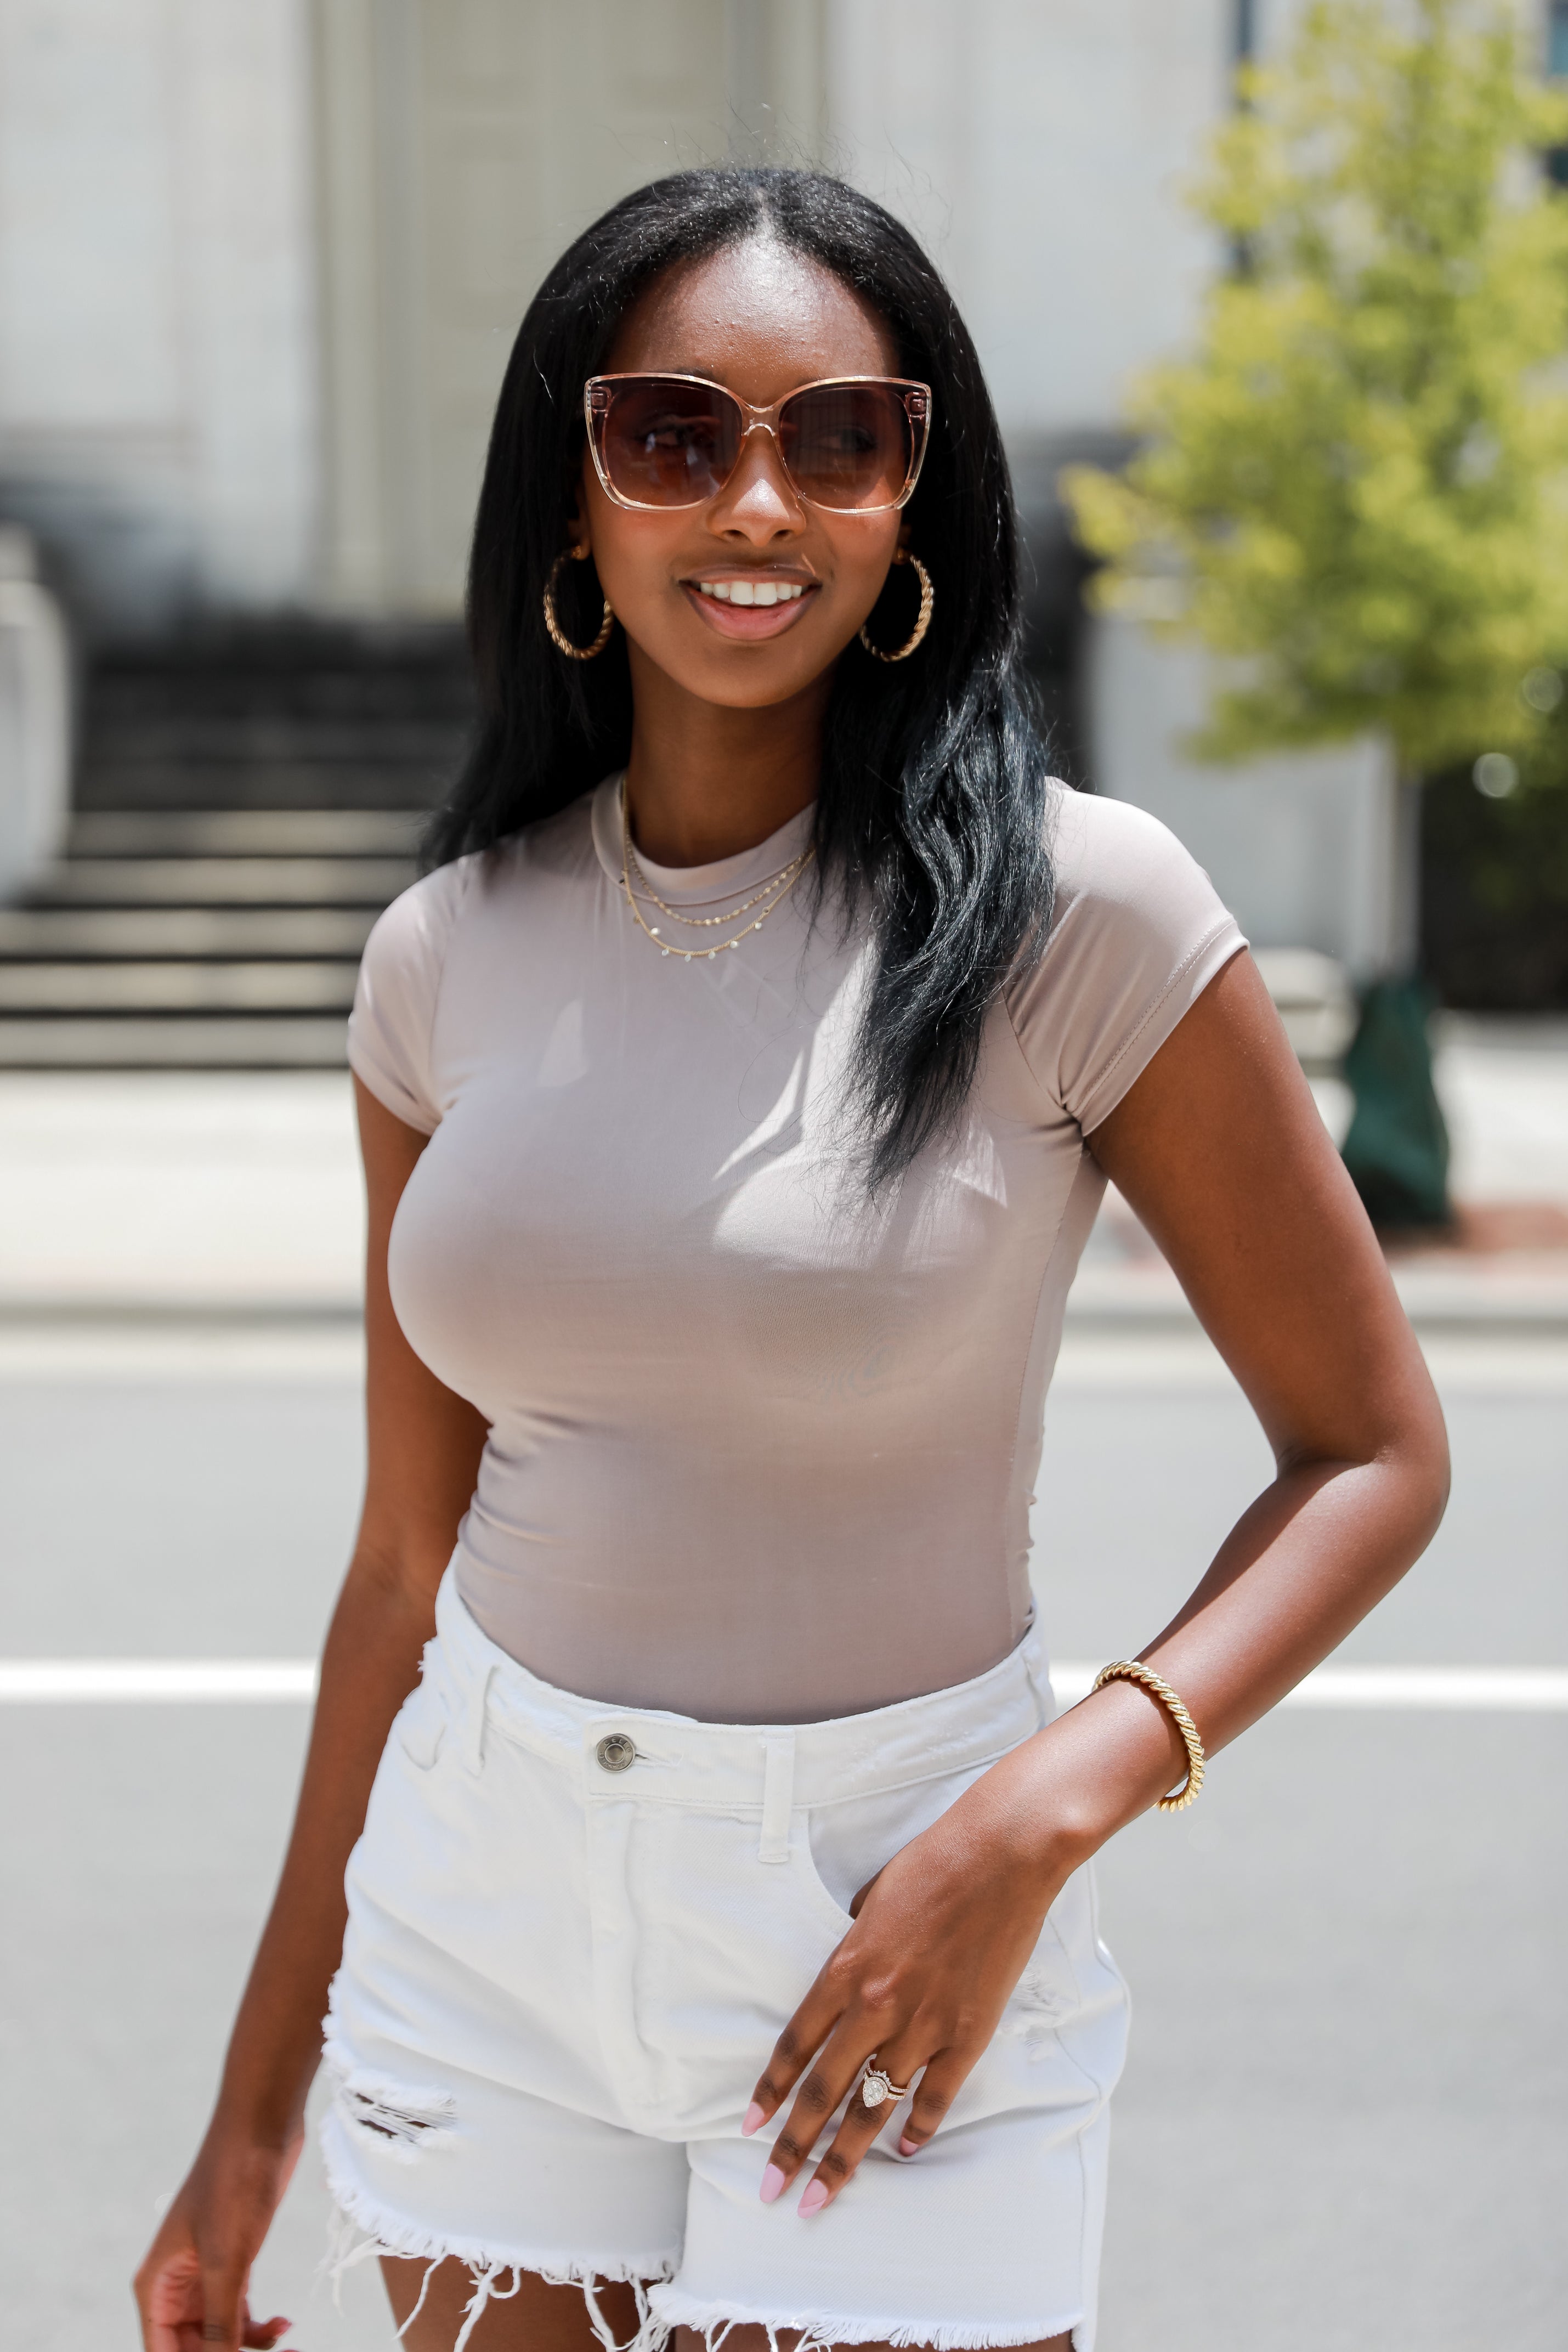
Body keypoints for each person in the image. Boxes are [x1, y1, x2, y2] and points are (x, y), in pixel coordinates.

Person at [134, 167, 1448, 2352]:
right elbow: (398, 1571)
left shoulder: (1078, 916)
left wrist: (1044, 1808)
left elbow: (1373, 1449)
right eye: (672, 435)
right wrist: (247, 2122)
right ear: (571, 498)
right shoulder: (440, 958)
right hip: (486, 1938)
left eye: (838, 439)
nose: (757, 503)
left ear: (915, 502)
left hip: (899, 1917)